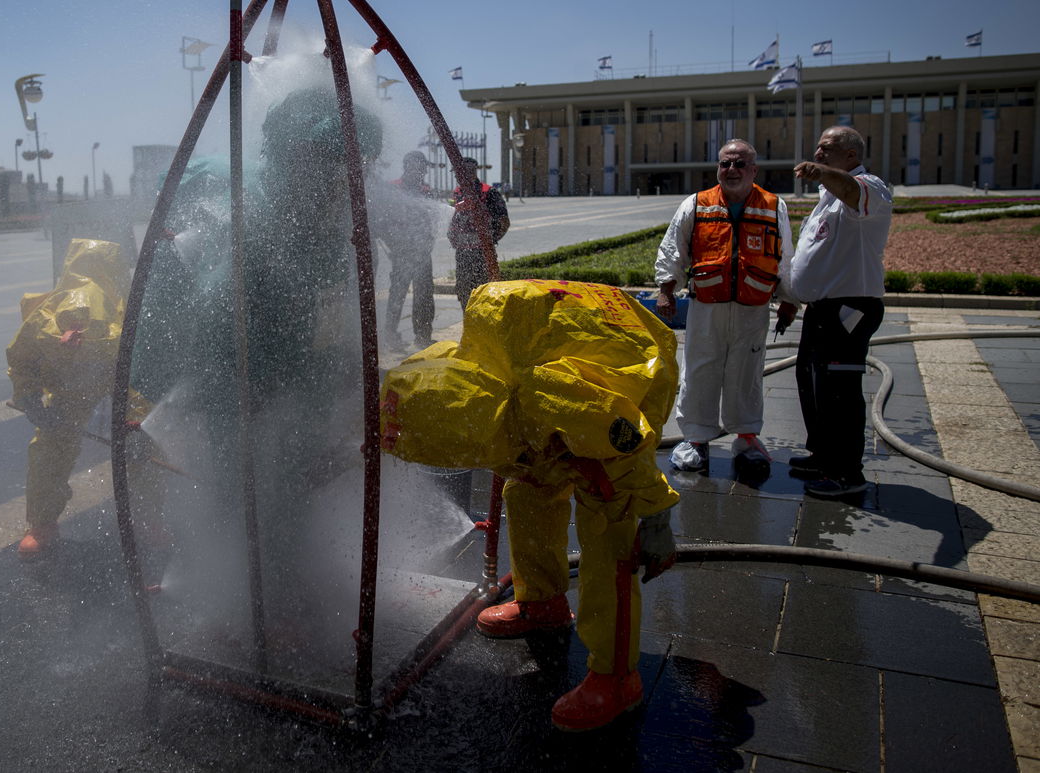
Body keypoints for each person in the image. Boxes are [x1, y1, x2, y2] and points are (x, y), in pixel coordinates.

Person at [380, 279, 680, 731]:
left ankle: (617, 677)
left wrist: (657, 518)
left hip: (631, 373)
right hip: (552, 375)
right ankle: (542, 602)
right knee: (527, 487)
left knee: (608, 525)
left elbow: (629, 451)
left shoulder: (560, 399)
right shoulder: (466, 373)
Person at [654, 140, 798, 474]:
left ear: (754, 170)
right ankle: (695, 439)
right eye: (725, 164)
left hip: (753, 308)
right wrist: (665, 290)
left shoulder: (774, 206)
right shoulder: (696, 204)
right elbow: (673, 248)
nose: (732, 170)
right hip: (707, 306)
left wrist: (790, 300)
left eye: (740, 164)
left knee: (746, 372)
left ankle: (747, 438)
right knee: (700, 370)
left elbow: (785, 256)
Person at [6, 238, 147, 559]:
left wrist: (139, 423)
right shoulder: (43, 318)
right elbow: (22, 358)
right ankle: (42, 523)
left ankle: (147, 515)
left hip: (119, 378)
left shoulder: (126, 311)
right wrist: (29, 397)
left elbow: (143, 364)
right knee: (51, 445)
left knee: (144, 434)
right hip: (70, 387)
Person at [787, 126, 893, 498]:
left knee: (839, 392)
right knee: (812, 383)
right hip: (822, 310)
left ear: (851, 155)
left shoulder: (870, 187)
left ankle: (846, 472)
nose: (818, 153)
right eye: (817, 148)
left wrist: (822, 174)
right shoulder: (826, 198)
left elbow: (852, 191)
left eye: (827, 148)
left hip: (849, 309)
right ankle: (823, 456)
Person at [378, 150, 437, 349]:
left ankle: (423, 336)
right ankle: (390, 336)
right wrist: (394, 245)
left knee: (424, 294)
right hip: (402, 253)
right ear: (406, 167)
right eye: (416, 167)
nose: (420, 171)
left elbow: (431, 220)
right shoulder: (393, 189)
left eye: (422, 168)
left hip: (423, 253)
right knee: (398, 294)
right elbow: (383, 222)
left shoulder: (426, 191)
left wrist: (428, 242)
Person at [448, 156, 509, 308]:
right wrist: (453, 238)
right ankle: (468, 321)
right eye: (456, 173)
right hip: (462, 254)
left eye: (459, 173)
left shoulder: (488, 192)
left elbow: (504, 222)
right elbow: (451, 220)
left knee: (485, 293)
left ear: (471, 172)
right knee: (464, 293)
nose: (456, 177)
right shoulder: (457, 194)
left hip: (483, 254)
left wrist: (490, 240)